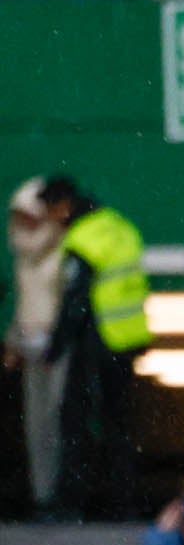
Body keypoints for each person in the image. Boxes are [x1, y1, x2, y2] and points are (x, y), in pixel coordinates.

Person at [41, 177, 152, 519]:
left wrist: (55, 347)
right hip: (127, 340)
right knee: (120, 424)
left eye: (50, 210)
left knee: (75, 422)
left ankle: (71, 503)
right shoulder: (119, 226)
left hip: (97, 341)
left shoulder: (83, 239)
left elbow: (76, 301)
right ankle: (124, 501)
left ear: (63, 205)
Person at [7, 178, 66, 515]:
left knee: (56, 419)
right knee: (36, 424)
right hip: (31, 345)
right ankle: (42, 494)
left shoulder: (59, 250)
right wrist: (15, 342)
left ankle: (58, 493)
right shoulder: (24, 256)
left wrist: (55, 344)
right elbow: (24, 303)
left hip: (55, 347)